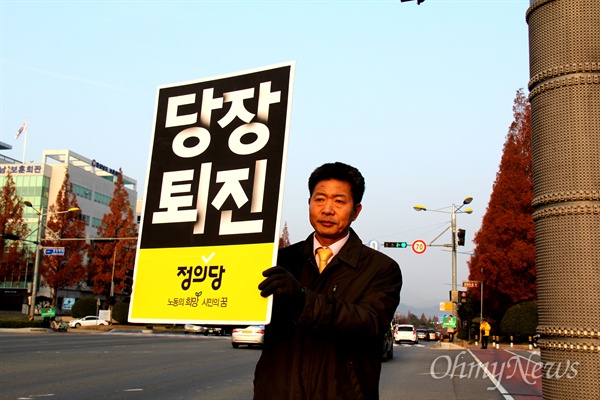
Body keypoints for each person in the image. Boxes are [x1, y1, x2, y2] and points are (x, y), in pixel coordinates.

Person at [255, 162, 403, 400]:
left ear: (356, 211)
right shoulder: (279, 261)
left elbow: (369, 323)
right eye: (320, 199)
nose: (327, 210)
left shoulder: (382, 269)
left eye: (339, 201)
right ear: (309, 203)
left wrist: (302, 299)